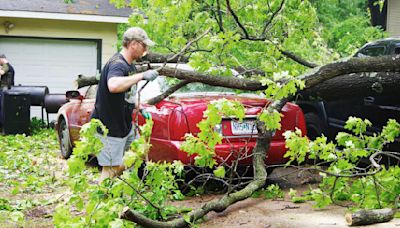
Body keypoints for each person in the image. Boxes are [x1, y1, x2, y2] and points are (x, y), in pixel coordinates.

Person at [91, 27, 159, 181]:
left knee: (135, 155)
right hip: (109, 128)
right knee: (110, 170)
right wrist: (141, 76)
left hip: (125, 127)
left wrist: (138, 107)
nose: (146, 50)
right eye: (144, 45)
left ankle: (116, 190)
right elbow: (113, 86)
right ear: (133, 44)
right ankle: (103, 198)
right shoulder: (117, 64)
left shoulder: (130, 66)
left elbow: (125, 95)